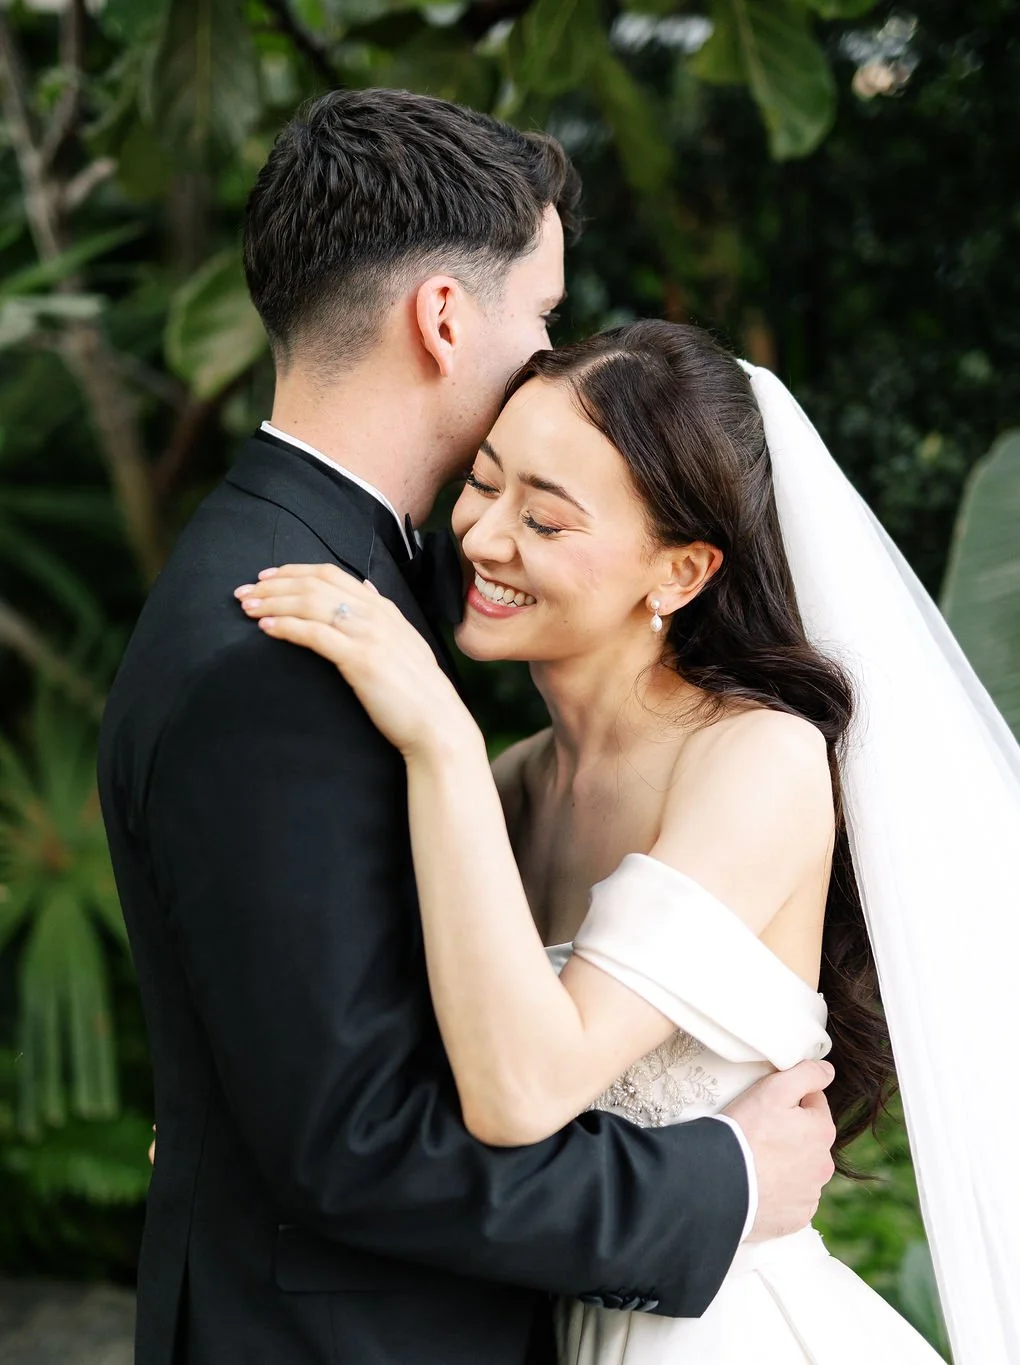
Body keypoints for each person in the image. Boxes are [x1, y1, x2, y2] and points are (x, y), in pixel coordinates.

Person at [98, 92, 836, 1365]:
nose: (549, 353)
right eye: (541, 314)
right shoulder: (284, 649)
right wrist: (716, 1188)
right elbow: (358, 1140)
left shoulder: (336, 578)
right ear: (445, 319)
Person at [232, 319, 978, 1363]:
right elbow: (378, 1083)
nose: (485, 538)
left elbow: (528, 1087)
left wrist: (440, 738)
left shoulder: (756, 758)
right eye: (484, 483)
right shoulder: (510, 788)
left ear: (677, 573)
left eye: (545, 518)